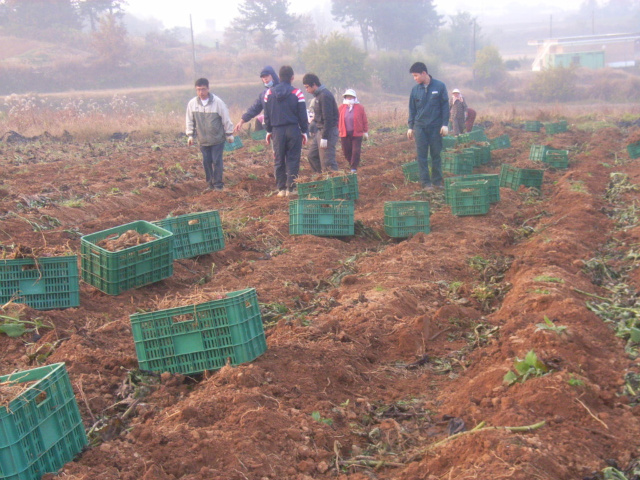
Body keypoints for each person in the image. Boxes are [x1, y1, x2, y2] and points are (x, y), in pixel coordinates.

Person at [263, 65, 309, 197]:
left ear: (279, 77)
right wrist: (304, 131)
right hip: (293, 129)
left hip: (277, 131)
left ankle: (281, 189)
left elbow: (266, 115)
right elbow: (302, 115)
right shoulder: (297, 93)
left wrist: (269, 130)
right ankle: (291, 188)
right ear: (292, 78)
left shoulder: (269, 93)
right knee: (293, 159)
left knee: (278, 159)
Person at [186, 78, 234, 191]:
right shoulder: (192, 104)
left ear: (208, 88)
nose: (201, 92)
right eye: (198, 90)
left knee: (217, 160)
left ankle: (218, 184)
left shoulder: (217, 102)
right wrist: (190, 135)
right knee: (206, 161)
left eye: (203, 89)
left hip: (217, 138)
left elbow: (225, 118)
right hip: (203, 139)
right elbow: (189, 120)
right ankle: (210, 184)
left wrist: (229, 133)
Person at [407, 62, 449, 189]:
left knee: (436, 154)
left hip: (436, 127)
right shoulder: (415, 90)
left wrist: (445, 124)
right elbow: (412, 109)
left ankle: (436, 181)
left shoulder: (440, 86)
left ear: (424, 73)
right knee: (422, 155)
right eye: (413, 76)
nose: (415, 79)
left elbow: (445, 106)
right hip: (420, 127)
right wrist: (410, 127)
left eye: (416, 75)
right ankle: (426, 183)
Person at [302, 73, 339, 173]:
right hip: (320, 130)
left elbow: (328, 118)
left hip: (328, 131)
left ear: (314, 84)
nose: (306, 90)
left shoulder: (324, 96)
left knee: (327, 162)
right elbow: (320, 116)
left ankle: (333, 183)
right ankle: (322, 178)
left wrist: (325, 137)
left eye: (307, 87)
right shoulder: (318, 96)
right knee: (312, 156)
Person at [233, 66, 280, 134]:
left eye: (267, 76)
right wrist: (242, 121)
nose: (265, 78)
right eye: (263, 77)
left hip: (286, 126)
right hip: (272, 128)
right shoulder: (264, 94)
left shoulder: (282, 90)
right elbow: (255, 109)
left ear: (273, 76)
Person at [338, 89, 369, 173]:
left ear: (354, 98)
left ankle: (353, 167)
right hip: (344, 133)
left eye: (351, 97)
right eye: (347, 97)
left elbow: (364, 120)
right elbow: (337, 119)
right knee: (346, 151)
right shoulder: (341, 107)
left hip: (357, 133)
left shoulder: (360, 108)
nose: (349, 98)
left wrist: (365, 131)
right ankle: (351, 162)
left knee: (355, 151)